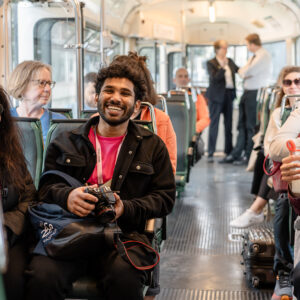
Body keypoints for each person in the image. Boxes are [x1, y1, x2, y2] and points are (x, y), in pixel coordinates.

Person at [25, 58, 176, 300]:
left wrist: (126, 208)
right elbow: (46, 188)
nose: (116, 98)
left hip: (123, 237)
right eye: (109, 90)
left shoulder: (151, 146)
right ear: (96, 98)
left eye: (125, 93)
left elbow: (165, 198)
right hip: (69, 232)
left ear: (136, 106)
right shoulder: (65, 141)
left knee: (123, 279)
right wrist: (68, 196)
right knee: (41, 277)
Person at [264, 67, 300, 300]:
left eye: (298, 81)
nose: (293, 86)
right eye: (288, 82)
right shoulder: (280, 113)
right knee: (285, 199)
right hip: (285, 172)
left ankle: (256, 205)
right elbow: (271, 146)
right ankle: (284, 269)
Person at [0, 87, 37, 300]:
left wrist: (6, 228)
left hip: (8, 235)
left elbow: (29, 198)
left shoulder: (10, 151)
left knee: (13, 279)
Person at [222, 33, 272, 165]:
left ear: (252, 44)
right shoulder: (253, 57)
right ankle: (237, 153)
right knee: (241, 125)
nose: (247, 47)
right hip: (247, 92)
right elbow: (244, 72)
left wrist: (244, 72)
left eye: (247, 44)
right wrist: (244, 72)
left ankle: (249, 155)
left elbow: (245, 72)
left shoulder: (263, 56)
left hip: (255, 93)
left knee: (250, 126)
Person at [7, 60, 67, 144]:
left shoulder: (60, 122)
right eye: (41, 83)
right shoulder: (5, 118)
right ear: (22, 85)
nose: (48, 89)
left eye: (49, 84)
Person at [206, 40, 239, 163]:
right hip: (216, 97)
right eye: (223, 48)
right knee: (214, 124)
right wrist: (223, 67)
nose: (225, 50)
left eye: (226, 47)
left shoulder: (230, 61)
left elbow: (238, 71)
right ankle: (210, 152)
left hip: (229, 95)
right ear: (217, 49)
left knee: (228, 125)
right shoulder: (211, 63)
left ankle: (228, 152)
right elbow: (215, 78)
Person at [173, 67, 210, 134]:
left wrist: (192, 129)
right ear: (174, 80)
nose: (183, 79)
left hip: (192, 134)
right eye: (180, 76)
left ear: (189, 80)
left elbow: (205, 118)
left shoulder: (197, 97)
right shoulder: (169, 97)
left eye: (186, 76)